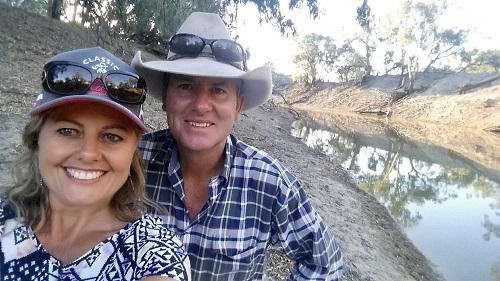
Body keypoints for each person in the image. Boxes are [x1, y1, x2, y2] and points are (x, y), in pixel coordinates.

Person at [132, 12, 343, 280]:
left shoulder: (270, 181)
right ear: (165, 98)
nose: (200, 105)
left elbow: (325, 263)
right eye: (185, 86)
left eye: (218, 90)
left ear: (238, 106)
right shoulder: (132, 162)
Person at [0, 47, 191, 281]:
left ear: (133, 150)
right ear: (37, 138)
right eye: (68, 131)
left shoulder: (153, 252)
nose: (89, 153)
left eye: (112, 136)